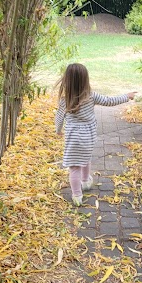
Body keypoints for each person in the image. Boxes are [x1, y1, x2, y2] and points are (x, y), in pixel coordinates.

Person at [55, 63, 136, 206]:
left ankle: (77, 196)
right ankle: (85, 181)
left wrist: (58, 130)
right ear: (85, 80)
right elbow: (109, 101)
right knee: (85, 157)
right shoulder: (91, 96)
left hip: (73, 137)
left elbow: (59, 117)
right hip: (88, 136)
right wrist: (126, 96)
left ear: (67, 80)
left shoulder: (65, 99)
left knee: (74, 166)